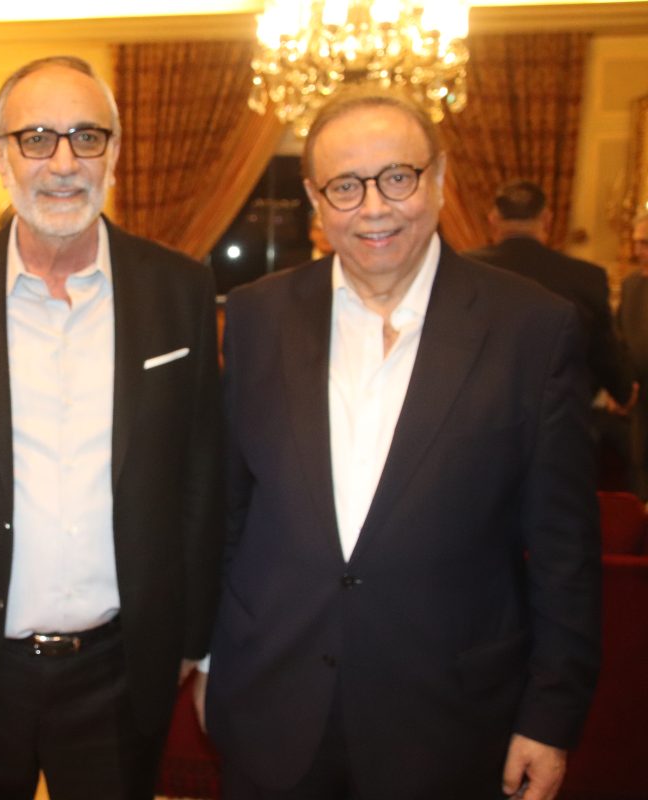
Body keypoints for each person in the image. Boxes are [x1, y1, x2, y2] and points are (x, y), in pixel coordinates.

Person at [203, 89, 600, 800]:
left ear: (439, 178)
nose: (374, 208)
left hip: (448, 714)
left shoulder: (532, 328)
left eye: (397, 177)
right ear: (315, 199)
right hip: (272, 698)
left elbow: (564, 551)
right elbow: (228, 511)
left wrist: (550, 716)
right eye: (345, 186)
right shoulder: (259, 315)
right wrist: (211, 660)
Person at [0, 55, 222, 799]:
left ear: (114, 154)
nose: (62, 163)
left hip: (120, 670)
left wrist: (192, 637)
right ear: (0, 157)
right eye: (36, 138)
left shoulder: (178, 288)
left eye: (86, 137)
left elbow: (200, 478)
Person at [469, 179, 634, 407]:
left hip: (479, 408)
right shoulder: (586, 277)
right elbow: (603, 354)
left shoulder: (461, 269)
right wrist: (625, 392)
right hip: (557, 413)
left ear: (493, 220)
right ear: (547, 219)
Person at [618, 211, 648, 496]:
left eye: (646, 243)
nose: (638, 250)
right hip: (640, 400)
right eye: (637, 242)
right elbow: (621, 339)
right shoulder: (631, 286)